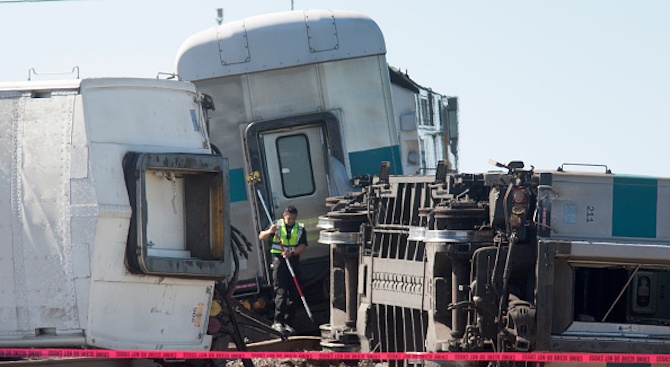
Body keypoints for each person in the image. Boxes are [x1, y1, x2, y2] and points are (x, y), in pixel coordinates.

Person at [258, 205, 307, 334]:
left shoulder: (300, 228)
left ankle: (288, 323)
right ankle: (278, 322)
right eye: (289, 218)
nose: (291, 221)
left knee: (294, 294)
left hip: (293, 261)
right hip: (279, 262)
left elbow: (303, 245)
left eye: (293, 219)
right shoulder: (277, 225)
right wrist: (270, 232)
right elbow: (261, 236)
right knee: (281, 292)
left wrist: (292, 252)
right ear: (284, 216)